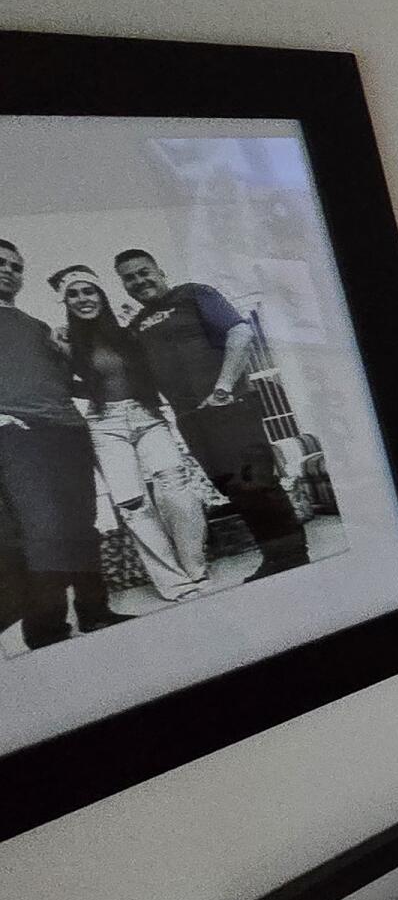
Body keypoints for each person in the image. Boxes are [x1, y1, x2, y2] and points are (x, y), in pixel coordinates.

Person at [114, 247, 310, 577]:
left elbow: (240, 331)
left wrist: (222, 388)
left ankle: (294, 556)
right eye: (129, 278)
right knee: (232, 489)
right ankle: (275, 557)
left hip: (230, 406)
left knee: (256, 483)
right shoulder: (136, 325)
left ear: (160, 271)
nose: (138, 280)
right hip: (191, 419)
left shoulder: (194, 294)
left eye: (144, 271)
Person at [54, 266, 209, 602]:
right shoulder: (66, 341)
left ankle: (194, 568)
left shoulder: (127, 332)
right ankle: (174, 583)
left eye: (89, 291)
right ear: (66, 301)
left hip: (145, 415)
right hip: (104, 424)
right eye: (74, 294)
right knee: (133, 504)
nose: (83, 299)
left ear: (101, 295)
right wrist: (65, 355)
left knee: (176, 488)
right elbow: (71, 388)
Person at [0, 236, 116, 646]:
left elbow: (68, 382)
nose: (9, 270)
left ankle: (96, 613)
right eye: (1, 263)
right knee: (44, 531)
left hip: (69, 429)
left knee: (82, 523)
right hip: (20, 435)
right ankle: (47, 630)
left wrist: (69, 353)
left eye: (16, 266)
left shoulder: (36, 326)